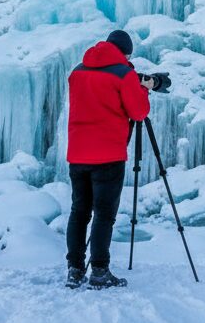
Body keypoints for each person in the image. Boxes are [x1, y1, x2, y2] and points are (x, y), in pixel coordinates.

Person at [65, 29, 153, 289]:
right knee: (104, 215)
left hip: (78, 154)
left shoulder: (77, 72)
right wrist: (144, 89)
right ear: (125, 53)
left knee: (79, 212)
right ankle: (100, 271)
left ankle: (75, 270)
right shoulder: (124, 74)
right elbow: (138, 112)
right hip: (108, 156)